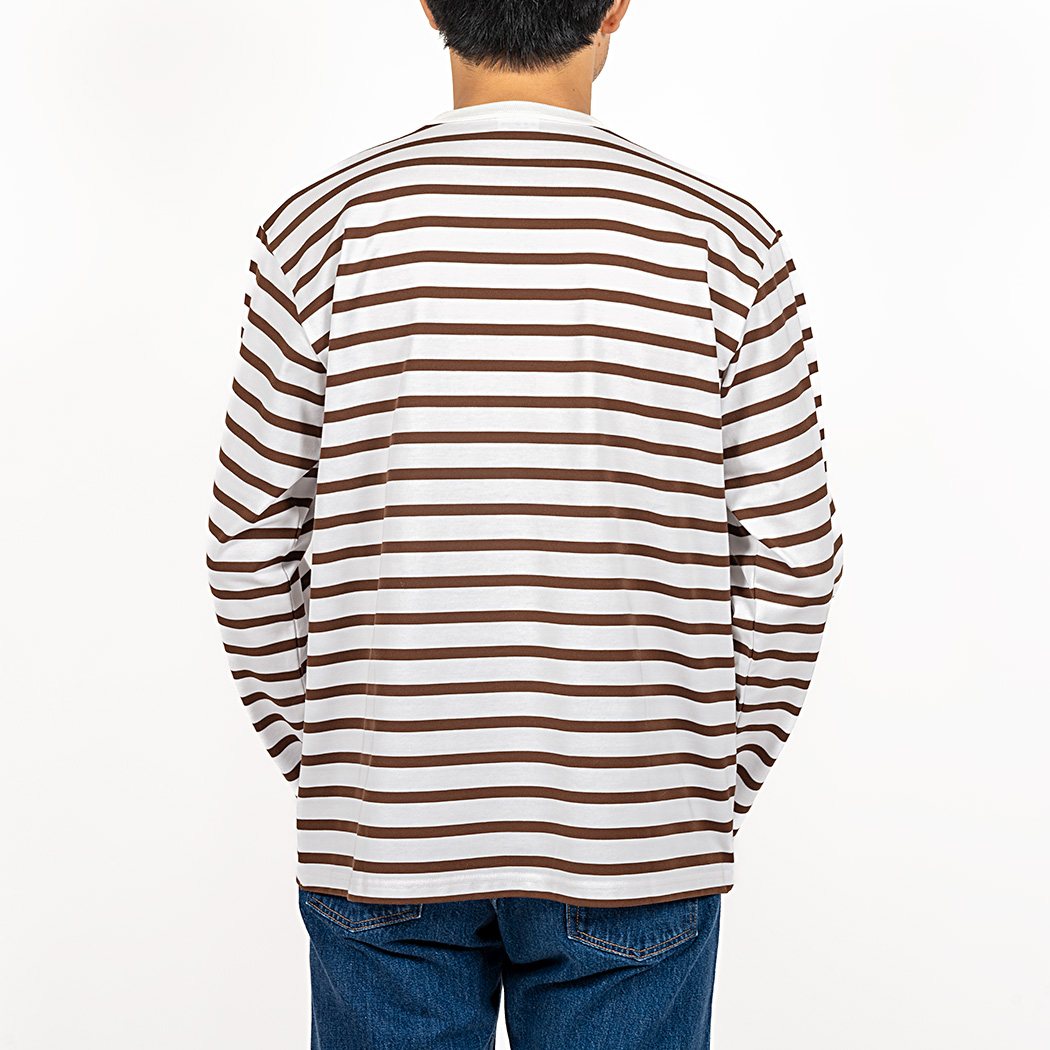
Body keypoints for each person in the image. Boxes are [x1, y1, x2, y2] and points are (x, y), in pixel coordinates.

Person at [204, 1, 844, 1046]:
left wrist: (338, 766)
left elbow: (246, 548)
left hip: (383, 825)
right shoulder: (727, 244)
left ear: (428, 3)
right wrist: (699, 783)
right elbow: (796, 560)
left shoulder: (319, 232)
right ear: (616, 4)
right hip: (637, 828)